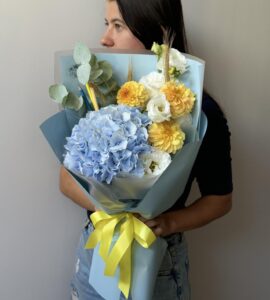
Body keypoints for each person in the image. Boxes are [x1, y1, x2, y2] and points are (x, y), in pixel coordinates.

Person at [60, 0, 233, 299]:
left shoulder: (199, 111)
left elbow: (220, 199)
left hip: (159, 258)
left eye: (118, 26)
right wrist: (114, 213)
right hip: (97, 250)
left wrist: (167, 222)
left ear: (152, 30)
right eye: (106, 24)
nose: (105, 38)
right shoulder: (98, 95)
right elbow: (65, 180)